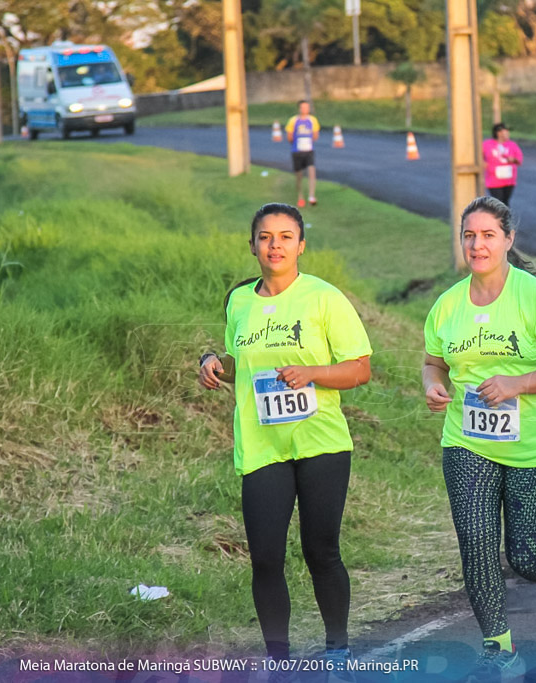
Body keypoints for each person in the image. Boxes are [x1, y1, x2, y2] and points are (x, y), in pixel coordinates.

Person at [198, 203, 372, 672]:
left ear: (301, 245)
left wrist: (311, 373)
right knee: (265, 560)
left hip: (321, 444)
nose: (275, 245)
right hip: (261, 446)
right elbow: (240, 364)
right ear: (252, 244)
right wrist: (213, 363)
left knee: (321, 551)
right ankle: (280, 661)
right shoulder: (239, 301)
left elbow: (360, 368)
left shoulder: (324, 297)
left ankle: (339, 651)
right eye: (265, 237)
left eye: (285, 236)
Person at [422, 196, 536, 681]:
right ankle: (499, 648)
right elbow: (434, 360)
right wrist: (434, 385)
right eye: (469, 235)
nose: (477, 244)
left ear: (508, 240)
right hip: (467, 442)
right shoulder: (447, 305)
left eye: (488, 234)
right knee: (475, 541)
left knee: (524, 553)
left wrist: (517, 384)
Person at [285, 100, 321, 207]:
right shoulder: (293, 120)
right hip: (297, 151)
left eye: (307, 107)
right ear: (299, 109)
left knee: (311, 171)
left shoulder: (313, 120)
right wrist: (296, 143)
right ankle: (300, 196)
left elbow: (315, 135)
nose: (305, 109)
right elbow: (289, 136)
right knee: (299, 175)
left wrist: (308, 142)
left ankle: (311, 196)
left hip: (309, 151)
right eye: (303, 107)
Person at [483, 122, 524, 207]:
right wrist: (483, 163)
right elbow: (478, 156)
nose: (507, 134)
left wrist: (513, 159)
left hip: (509, 180)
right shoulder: (487, 144)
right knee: (498, 202)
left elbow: (519, 160)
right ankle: (499, 219)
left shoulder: (512, 145)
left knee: (506, 202)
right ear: (498, 133)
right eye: (505, 131)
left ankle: (505, 219)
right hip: (494, 180)